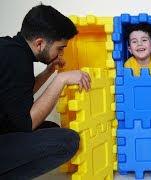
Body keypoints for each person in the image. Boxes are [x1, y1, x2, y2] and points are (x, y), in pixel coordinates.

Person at [0, 4, 91, 179]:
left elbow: (16, 95)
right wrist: (60, 80)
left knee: (51, 129)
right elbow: (27, 124)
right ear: (40, 43)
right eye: (60, 48)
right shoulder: (17, 60)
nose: (60, 54)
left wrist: (48, 72)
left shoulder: (11, 49)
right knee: (67, 141)